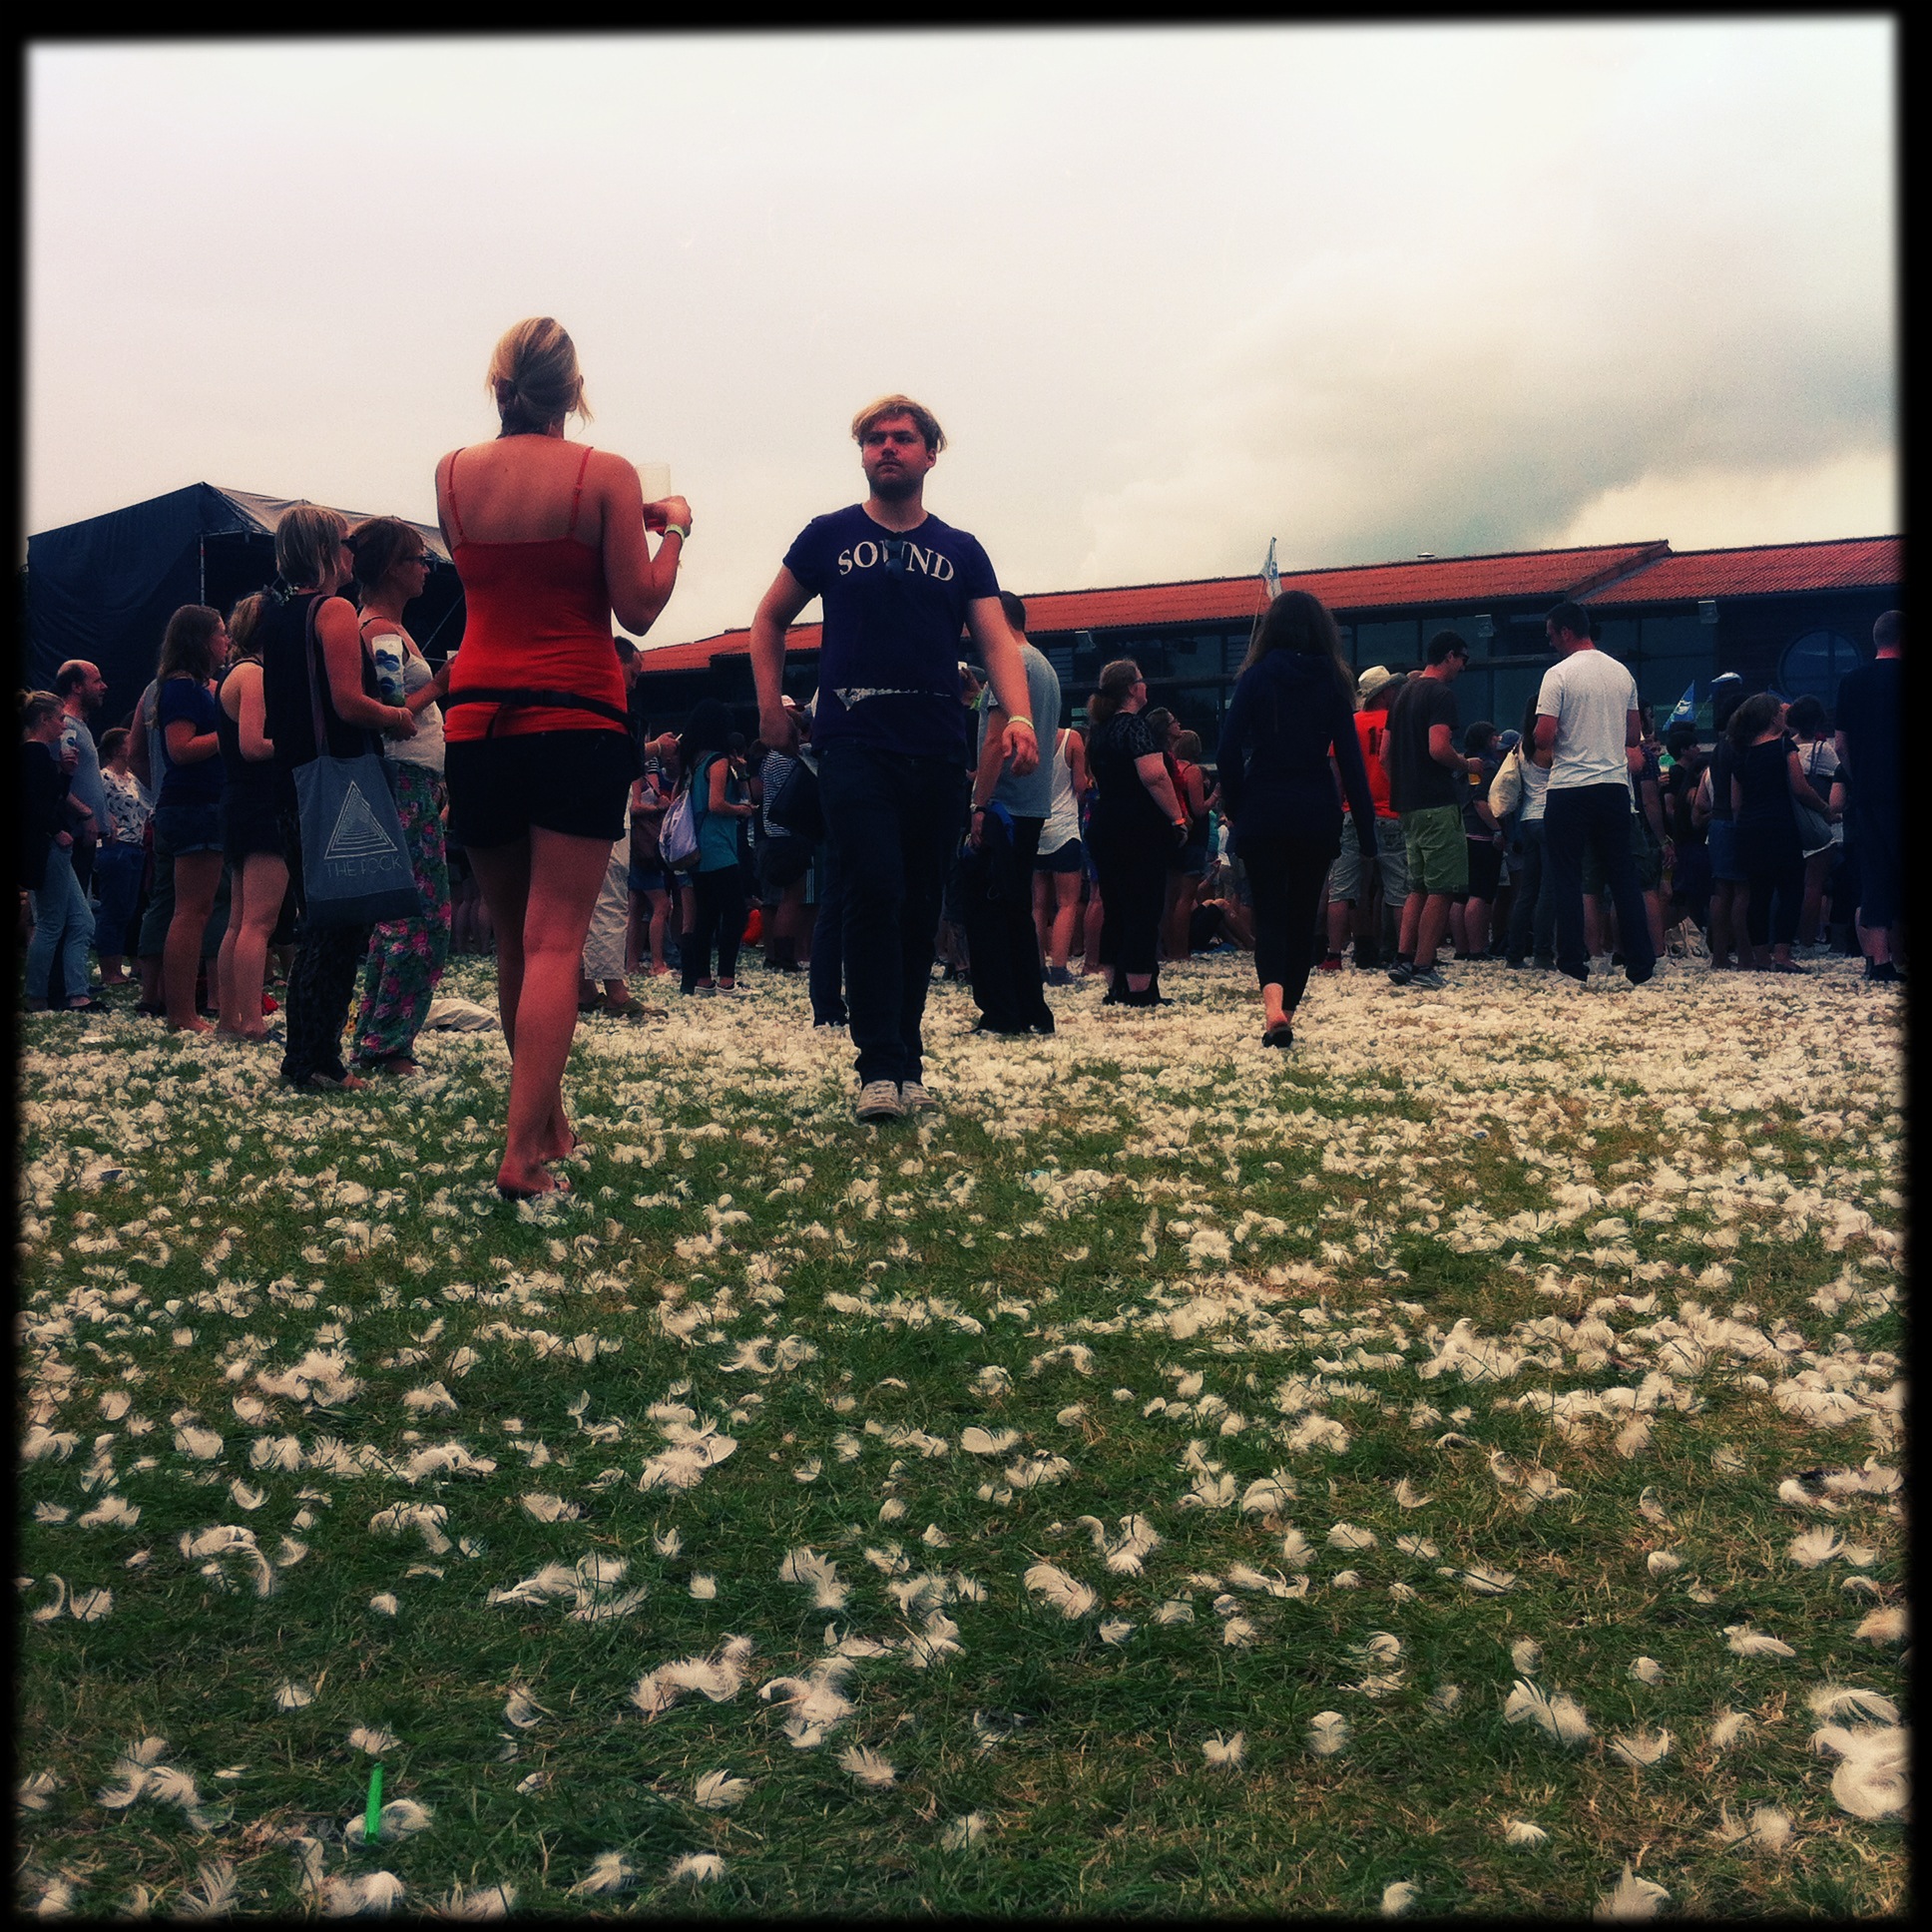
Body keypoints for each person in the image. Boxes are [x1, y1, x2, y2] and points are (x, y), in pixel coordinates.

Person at [436, 318, 689, 1196]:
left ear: (498, 382)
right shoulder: (605, 475)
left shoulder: (452, 474)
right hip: (576, 715)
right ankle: (520, 1155)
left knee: (514, 942)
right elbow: (638, 608)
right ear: (574, 390)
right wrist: (673, 532)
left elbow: (500, 579)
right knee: (555, 945)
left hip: (477, 720)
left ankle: (543, 1122)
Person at [748, 394, 1037, 1123]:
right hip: (852, 743)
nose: (886, 447)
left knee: (918, 903)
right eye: (874, 438)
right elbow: (769, 618)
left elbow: (996, 640)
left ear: (930, 454)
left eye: (902, 438)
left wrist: (1019, 716)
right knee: (873, 889)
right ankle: (878, 1066)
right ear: (863, 454)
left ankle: (907, 1062)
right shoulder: (829, 535)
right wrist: (769, 704)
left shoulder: (961, 550)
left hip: (936, 748)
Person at [1214, 591, 1378, 1048]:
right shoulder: (1333, 682)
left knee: (1269, 913)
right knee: (1303, 916)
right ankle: (1287, 1012)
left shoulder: (1255, 677)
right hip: (1314, 810)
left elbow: (1227, 750)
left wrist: (1238, 805)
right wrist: (1367, 831)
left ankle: (1272, 1010)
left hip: (1264, 806)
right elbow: (1351, 763)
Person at [348, 518, 456, 1070]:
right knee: (422, 917)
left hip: (416, 779)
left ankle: (377, 1035)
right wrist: (441, 683)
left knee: (400, 918)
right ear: (392, 567)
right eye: (418, 558)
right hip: (403, 778)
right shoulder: (380, 633)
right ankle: (387, 1042)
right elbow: (394, 716)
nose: (426, 569)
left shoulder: (389, 628)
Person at [1533, 601, 1655, 986]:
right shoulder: (1622, 673)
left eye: (1551, 635)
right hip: (1613, 786)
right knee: (1623, 875)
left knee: (1567, 876)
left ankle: (1573, 962)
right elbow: (1632, 736)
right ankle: (1640, 962)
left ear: (1565, 632)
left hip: (1570, 786)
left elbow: (1544, 737)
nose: (1551, 642)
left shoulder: (1557, 675)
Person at [964, 590, 1062, 1036]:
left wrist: (978, 804)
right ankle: (1031, 1007)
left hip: (1002, 806)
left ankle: (1000, 1011)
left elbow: (993, 742)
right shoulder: (1043, 665)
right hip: (1031, 805)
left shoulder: (1011, 665)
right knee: (1017, 909)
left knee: (987, 911)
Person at [212, 592, 293, 1041]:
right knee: (260, 922)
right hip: (261, 803)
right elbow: (254, 745)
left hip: (240, 801)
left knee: (240, 920)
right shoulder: (255, 675)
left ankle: (231, 1019)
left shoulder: (233, 673)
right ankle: (253, 1023)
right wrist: (299, 743)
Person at [154, 604, 231, 1032]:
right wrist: (229, 734)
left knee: (194, 911)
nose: (226, 641)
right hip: (194, 805)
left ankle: (182, 1010)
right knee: (191, 912)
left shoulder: (195, 687)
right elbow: (180, 749)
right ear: (201, 641)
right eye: (220, 633)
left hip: (198, 805)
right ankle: (182, 1013)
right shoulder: (181, 689)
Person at [1384, 632, 1475, 988]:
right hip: (1437, 802)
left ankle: (1403, 959)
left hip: (1407, 804)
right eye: (1463, 659)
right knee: (1443, 887)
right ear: (1450, 655)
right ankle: (1424, 965)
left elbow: (1385, 755)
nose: (1463, 667)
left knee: (1417, 886)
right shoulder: (1441, 694)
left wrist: (1404, 783)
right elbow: (1438, 748)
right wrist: (1466, 764)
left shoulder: (1403, 695)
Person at [576, 637, 654, 1018]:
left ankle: (584, 986)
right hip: (604, 812)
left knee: (582, 902)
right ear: (615, 662)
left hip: (586, 810)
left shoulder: (581, 699)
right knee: (609, 896)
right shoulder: (605, 707)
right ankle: (615, 990)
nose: (634, 684)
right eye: (632, 674)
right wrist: (653, 749)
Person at [1728, 692, 1831, 974]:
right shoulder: (1785, 746)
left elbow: (1736, 803)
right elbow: (1800, 788)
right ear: (1773, 718)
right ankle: (1783, 954)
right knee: (1790, 889)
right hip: (1781, 827)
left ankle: (1761, 957)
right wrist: (1824, 808)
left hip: (1750, 829)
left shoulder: (1741, 753)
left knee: (1758, 894)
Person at [20, 690, 101, 1012]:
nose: (63, 724)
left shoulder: (38, 756)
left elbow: (47, 797)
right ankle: (37, 994)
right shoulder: (33, 754)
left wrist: (65, 776)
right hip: (47, 846)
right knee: (51, 923)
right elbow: (34, 804)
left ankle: (75, 992)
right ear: (44, 719)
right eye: (59, 718)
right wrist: (56, 830)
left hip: (51, 845)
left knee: (81, 920)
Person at [1320, 666, 1405, 973]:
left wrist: (1338, 807)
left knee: (1342, 888)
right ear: (1384, 693)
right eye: (1392, 689)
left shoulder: (1350, 724)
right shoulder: (1398, 723)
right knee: (1399, 890)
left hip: (1353, 812)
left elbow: (1336, 775)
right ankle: (1403, 954)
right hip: (1392, 811)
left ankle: (1334, 954)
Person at [1834, 609, 1902, 982]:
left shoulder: (1851, 681)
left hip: (1869, 792)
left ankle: (1879, 961)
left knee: (1874, 874)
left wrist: (1858, 778)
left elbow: (1841, 744)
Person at [679, 700, 756, 995]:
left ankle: (702, 979)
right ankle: (726, 979)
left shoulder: (694, 762)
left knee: (707, 914)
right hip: (719, 846)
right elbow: (716, 804)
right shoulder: (718, 760)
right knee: (735, 912)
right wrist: (741, 810)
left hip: (697, 848)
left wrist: (742, 773)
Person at [1695, 676, 1754, 970]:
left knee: (1721, 891)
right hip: (1733, 822)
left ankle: (1719, 954)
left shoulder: (1719, 747)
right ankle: (1745, 954)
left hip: (1717, 825)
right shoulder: (1739, 749)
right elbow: (1736, 797)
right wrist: (1743, 825)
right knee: (1742, 891)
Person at [756, 699, 815, 973]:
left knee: (775, 900)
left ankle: (774, 955)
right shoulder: (792, 759)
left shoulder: (769, 759)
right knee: (792, 898)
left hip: (771, 834)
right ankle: (785, 957)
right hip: (789, 833)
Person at [1498, 694, 1557, 968]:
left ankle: (1514, 953)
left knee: (1527, 891)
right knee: (1549, 890)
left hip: (1527, 819)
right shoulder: (1550, 746)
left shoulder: (1521, 745)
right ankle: (1543, 953)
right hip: (1550, 819)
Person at [1033, 713, 1090, 986]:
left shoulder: (1028, 741)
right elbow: (1080, 786)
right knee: (1067, 903)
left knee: (1038, 905)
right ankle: (1058, 968)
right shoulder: (1072, 739)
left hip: (1036, 829)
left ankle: (1036, 967)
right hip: (1065, 829)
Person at [1782, 695, 1841, 951]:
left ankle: (1786, 936)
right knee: (1814, 884)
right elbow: (1842, 775)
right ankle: (1808, 939)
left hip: (1789, 821)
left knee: (1789, 883)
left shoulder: (1786, 747)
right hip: (1816, 822)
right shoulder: (1822, 750)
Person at [93, 725, 150, 988]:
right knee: (113, 910)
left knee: (128, 910)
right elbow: (93, 802)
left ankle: (120, 965)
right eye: (129, 742)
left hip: (136, 847)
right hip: (115, 848)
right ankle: (109, 969)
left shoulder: (133, 778)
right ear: (117, 749)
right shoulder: (103, 777)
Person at [54, 659, 110, 903]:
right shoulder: (64, 726)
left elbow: (85, 777)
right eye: (96, 681)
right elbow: (52, 780)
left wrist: (105, 815)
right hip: (71, 834)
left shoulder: (79, 726)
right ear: (76, 687)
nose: (104, 686)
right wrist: (86, 814)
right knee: (68, 913)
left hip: (83, 834)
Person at [1451, 720, 1505, 960]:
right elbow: (1480, 800)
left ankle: (1461, 949)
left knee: (1460, 896)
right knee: (1480, 893)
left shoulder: (1460, 766)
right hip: (1481, 835)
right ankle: (1477, 949)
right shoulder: (1487, 767)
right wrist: (1497, 829)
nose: (1497, 740)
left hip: (1460, 831)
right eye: (1493, 736)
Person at [1162, 724, 1211, 963]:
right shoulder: (1193, 771)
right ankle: (1181, 950)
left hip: (1174, 836)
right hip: (1194, 838)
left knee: (1169, 897)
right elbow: (1199, 809)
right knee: (1186, 896)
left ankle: (1166, 947)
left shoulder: (1171, 768)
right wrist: (1215, 795)